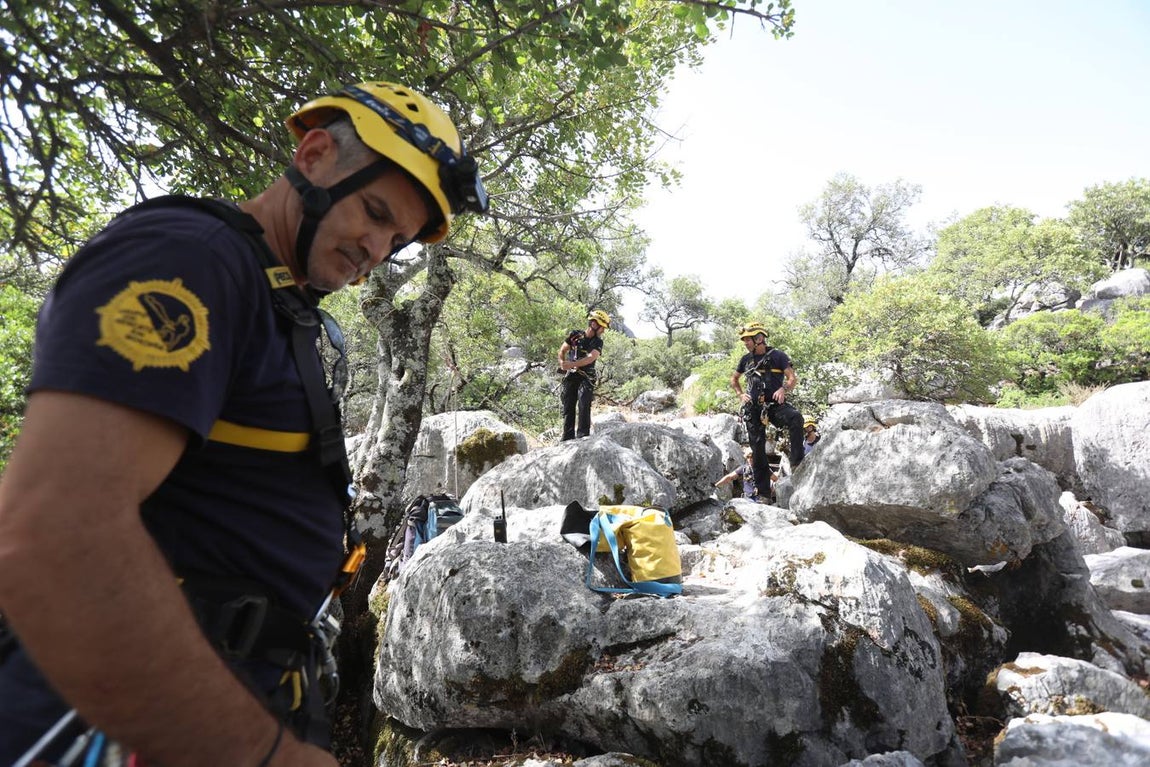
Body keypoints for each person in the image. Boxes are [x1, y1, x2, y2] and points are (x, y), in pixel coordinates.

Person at [0, 81, 487, 767]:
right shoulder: (193, 261)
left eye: (396, 238)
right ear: (314, 153)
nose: (376, 248)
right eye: (374, 212)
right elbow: (55, 530)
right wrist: (265, 754)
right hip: (124, 724)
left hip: (232, 696)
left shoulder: (279, 295)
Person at [730, 322, 806, 498]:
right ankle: (763, 494)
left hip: (773, 406)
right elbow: (734, 379)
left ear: (759, 338)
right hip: (753, 409)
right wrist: (741, 394)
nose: (746, 343)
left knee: (795, 418)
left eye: (748, 340)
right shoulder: (745, 360)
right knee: (757, 452)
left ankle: (797, 462)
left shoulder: (778, 356)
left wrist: (783, 389)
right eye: (744, 341)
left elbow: (792, 378)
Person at [557, 310, 610, 440]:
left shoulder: (597, 342)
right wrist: (562, 362)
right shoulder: (575, 335)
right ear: (594, 324)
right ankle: (567, 438)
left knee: (583, 403)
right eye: (602, 327)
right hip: (571, 376)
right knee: (569, 405)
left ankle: (583, 437)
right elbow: (562, 350)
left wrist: (572, 364)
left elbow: (590, 358)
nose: (603, 330)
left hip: (587, 377)